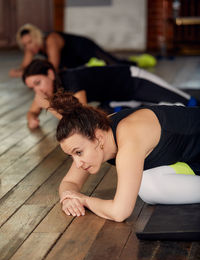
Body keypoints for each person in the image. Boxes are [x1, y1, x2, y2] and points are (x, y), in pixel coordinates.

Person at [47, 91, 200, 221]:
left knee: (148, 186)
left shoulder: (129, 137)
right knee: (147, 184)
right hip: (191, 159)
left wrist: (84, 200)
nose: (78, 163)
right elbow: (69, 181)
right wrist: (68, 198)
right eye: (72, 156)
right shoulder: (97, 130)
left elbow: (120, 212)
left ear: (98, 138)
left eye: (78, 152)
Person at [22, 59, 196, 129]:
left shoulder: (72, 79)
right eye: (32, 87)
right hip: (114, 100)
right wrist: (32, 117)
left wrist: (51, 108)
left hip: (132, 81)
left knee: (190, 104)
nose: (38, 90)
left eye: (38, 83)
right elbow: (32, 110)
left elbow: (83, 119)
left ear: (50, 74)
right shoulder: (46, 90)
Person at [9, 23, 150, 78]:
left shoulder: (50, 40)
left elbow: (53, 67)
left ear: (36, 37)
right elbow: (23, 68)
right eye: (25, 44)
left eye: (30, 41)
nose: (29, 46)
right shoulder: (31, 49)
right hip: (75, 61)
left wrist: (25, 73)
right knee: (100, 69)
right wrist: (20, 71)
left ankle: (137, 61)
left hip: (84, 48)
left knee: (115, 64)